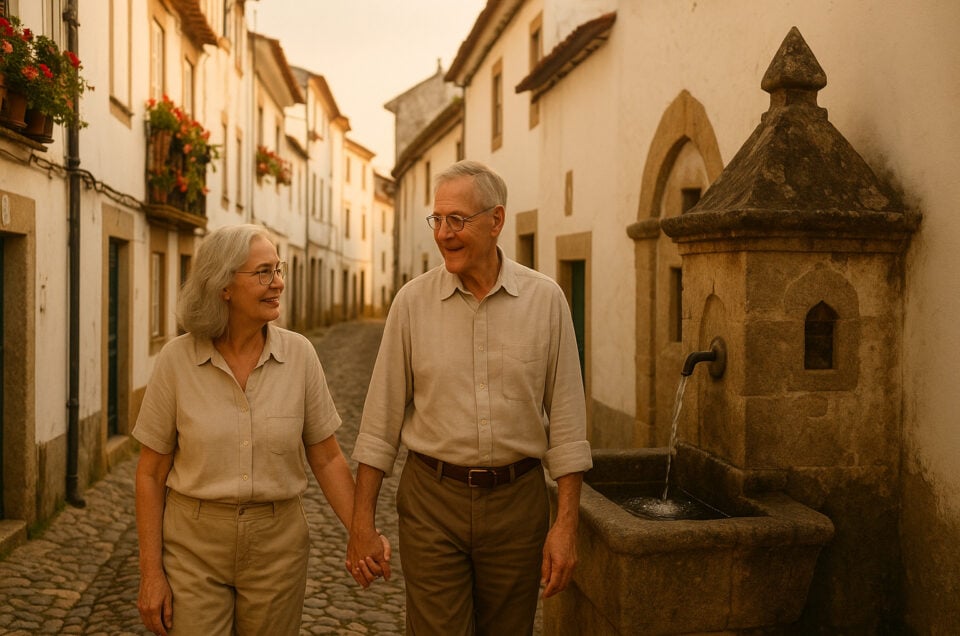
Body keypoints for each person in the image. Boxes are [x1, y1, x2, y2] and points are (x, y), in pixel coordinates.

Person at [346, 160, 592, 635]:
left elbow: (567, 424)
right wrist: (361, 526)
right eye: (437, 220)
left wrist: (565, 526)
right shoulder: (411, 304)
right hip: (431, 502)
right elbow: (378, 426)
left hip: (518, 506)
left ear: (496, 220)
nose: (444, 233)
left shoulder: (546, 301)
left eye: (457, 220)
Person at [134, 224, 386, 636]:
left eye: (279, 269)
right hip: (193, 546)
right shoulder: (176, 361)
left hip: (278, 547)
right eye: (264, 273)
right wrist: (150, 574)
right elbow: (150, 473)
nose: (279, 283)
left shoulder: (300, 355)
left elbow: (326, 457)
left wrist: (363, 531)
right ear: (223, 286)